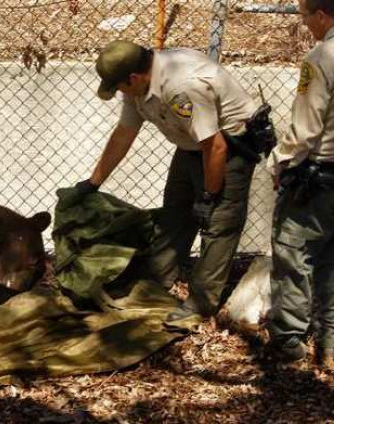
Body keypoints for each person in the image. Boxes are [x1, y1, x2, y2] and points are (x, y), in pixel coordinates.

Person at [75, 40, 275, 321]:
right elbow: (124, 132)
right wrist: (93, 181)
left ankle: (201, 302)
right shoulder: (138, 86)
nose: (119, 92)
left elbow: (215, 147)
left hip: (230, 146)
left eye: (118, 86)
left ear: (132, 78)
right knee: (176, 211)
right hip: (194, 144)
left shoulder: (180, 86)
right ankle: (158, 276)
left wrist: (209, 195)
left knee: (219, 223)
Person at [265, 0, 333, 368]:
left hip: (322, 175)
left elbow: (306, 130)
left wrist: (278, 162)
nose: (305, 24)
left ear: (321, 15)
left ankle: (289, 342)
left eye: (305, 16)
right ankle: (332, 339)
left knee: (294, 252)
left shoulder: (322, 58)